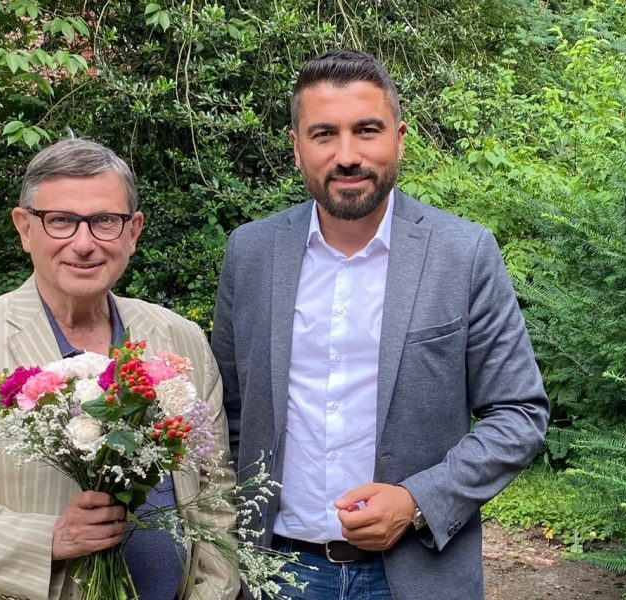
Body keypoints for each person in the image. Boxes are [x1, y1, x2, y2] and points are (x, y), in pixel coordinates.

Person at [210, 49, 550, 600]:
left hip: (417, 573)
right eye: (324, 134)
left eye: (366, 130)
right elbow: (228, 413)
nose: (347, 155)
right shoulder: (250, 254)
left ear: (399, 137)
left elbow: (519, 413)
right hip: (276, 572)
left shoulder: (462, 254)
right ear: (297, 147)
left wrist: (418, 501)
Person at [0, 138, 239, 600]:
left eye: (105, 221)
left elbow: (215, 490)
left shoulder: (180, 338)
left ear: (133, 231)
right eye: (60, 221)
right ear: (25, 228)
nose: (83, 243)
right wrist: (52, 539)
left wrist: (213, 590)